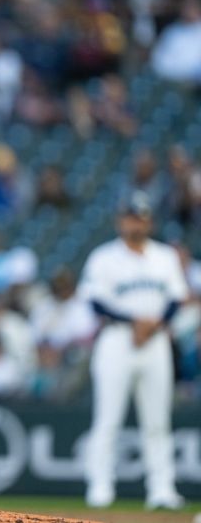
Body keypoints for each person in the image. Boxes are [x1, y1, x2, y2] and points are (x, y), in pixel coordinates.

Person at [79, 191, 187, 510]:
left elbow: (176, 298)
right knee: (108, 419)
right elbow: (95, 301)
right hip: (116, 341)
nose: (134, 222)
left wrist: (152, 325)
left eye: (139, 216)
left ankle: (162, 489)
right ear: (119, 221)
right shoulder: (103, 257)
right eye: (129, 216)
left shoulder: (165, 256)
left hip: (154, 342)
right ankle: (100, 487)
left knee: (157, 421)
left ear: (149, 221)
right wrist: (135, 322)